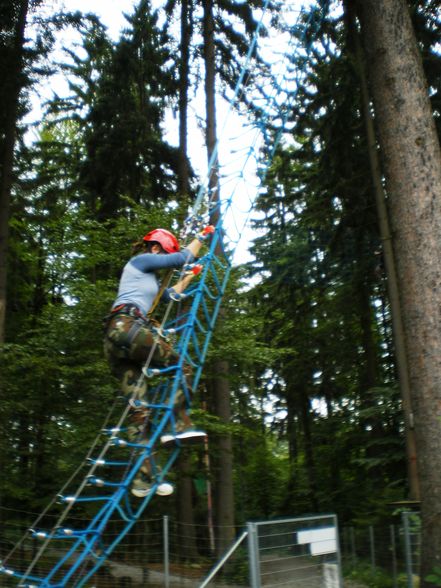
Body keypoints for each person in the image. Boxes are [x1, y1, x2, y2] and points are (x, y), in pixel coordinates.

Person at [104, 226, 214, 498]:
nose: (164, 261)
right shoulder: (140, 261)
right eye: (164, 253)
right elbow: (183, 257)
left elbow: (171, 294)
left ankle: (143, 480)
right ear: (156, 249)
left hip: (115, 339)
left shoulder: (149, 280)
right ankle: (177, 424)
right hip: (126, 327)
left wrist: (190, 278)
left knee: (140, 411)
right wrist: (201, 237)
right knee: (182, 366)